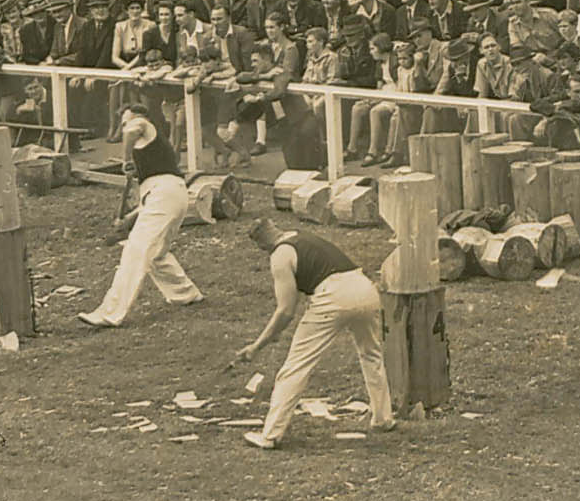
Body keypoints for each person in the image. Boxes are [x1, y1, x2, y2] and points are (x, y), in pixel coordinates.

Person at [233, 219, 396, 450]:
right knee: (371, 355)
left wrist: (257, 346)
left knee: (296, 366)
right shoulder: (300, 235)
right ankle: (383, 418)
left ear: (262, 243)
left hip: (332, 297)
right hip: (365, 289)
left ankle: (270, 435)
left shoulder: (280, 255)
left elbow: (286, 310)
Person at [79, 103, 205, 328]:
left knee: (135, 251)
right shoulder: (148, 149)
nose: (124, 126)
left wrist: (126, 160)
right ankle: (185, 294)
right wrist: (128, 220)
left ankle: (109, 313)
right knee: (156, 254)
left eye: (126, 120)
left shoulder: (143, 124)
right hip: (170, 193)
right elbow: (149, 203)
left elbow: (131, 130)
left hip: (165, 192)